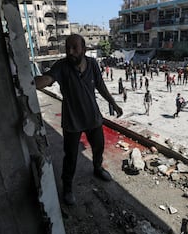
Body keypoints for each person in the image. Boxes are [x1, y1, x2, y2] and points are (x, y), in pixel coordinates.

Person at [34, 34, 123, 205]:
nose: (70, 51)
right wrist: (29, 83)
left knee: (99, 147)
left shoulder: (93, 64)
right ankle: (67, 188)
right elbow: (47, 79)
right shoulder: (62, 66)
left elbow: (100, 86)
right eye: (67, 47)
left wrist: (114, 104)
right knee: (71, 157)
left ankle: (97, 168)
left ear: (84, 49)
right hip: (72, 121)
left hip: (93, 117)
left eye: (74, 47)